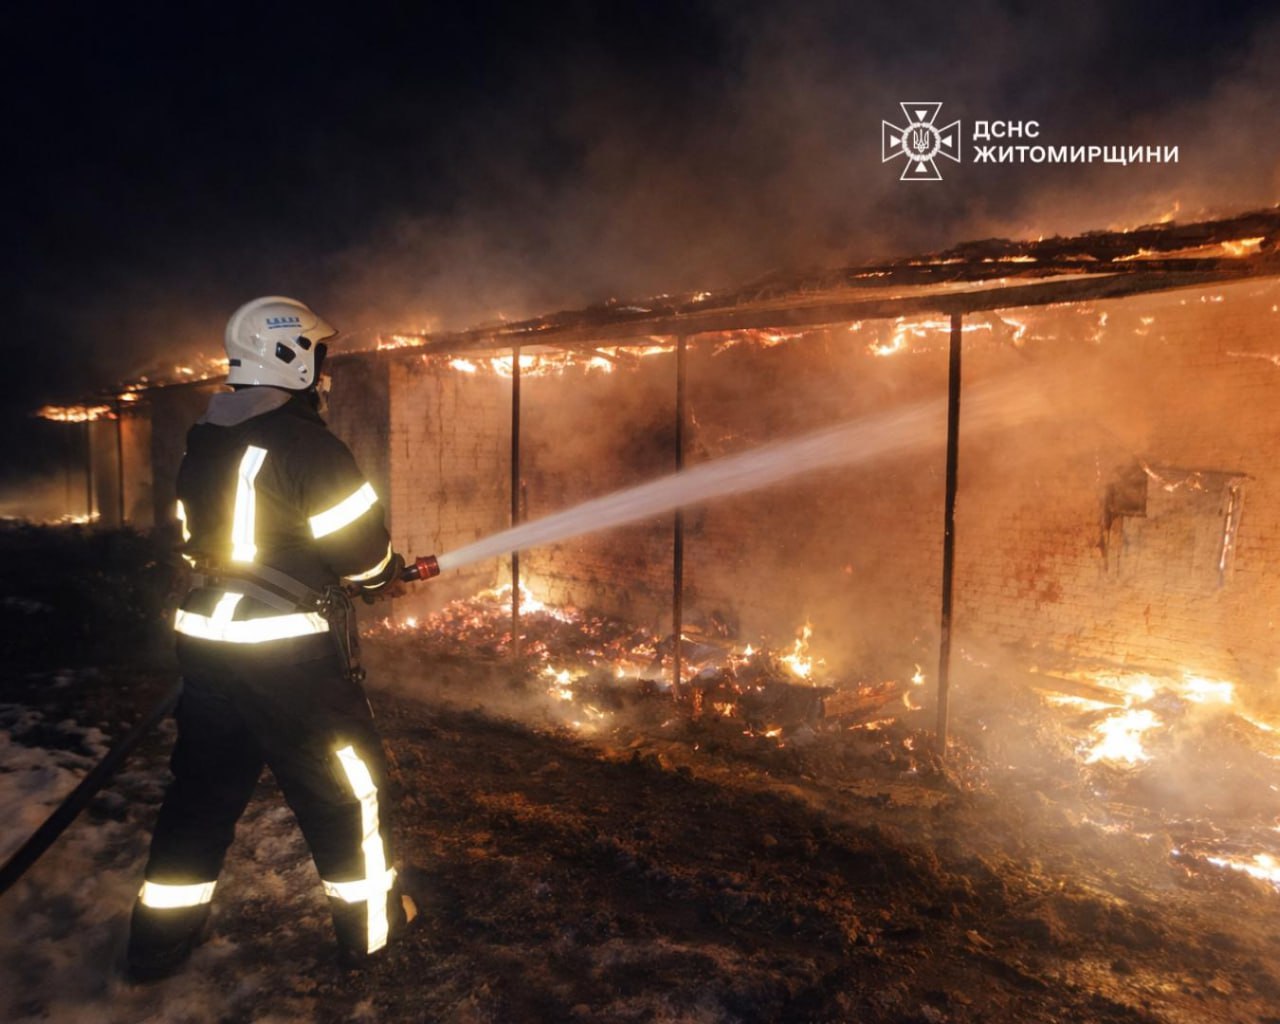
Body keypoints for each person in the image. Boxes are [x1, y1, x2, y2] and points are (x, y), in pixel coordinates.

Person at [126, 296, 415, 980]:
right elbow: (362, 554)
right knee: (347, 794)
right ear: (290, 356)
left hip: (209, 646)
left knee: (199, 798)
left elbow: (204, 540)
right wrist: (382, 576)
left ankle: (156, 946)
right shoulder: (308, 446)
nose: (326, 370)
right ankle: (372, 937)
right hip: (288, 660)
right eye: (318, 354)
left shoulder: (206, 442)